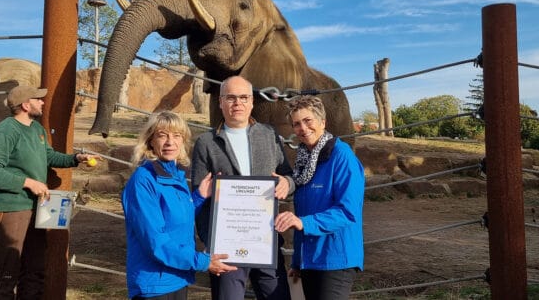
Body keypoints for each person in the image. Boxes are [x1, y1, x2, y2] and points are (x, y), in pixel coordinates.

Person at [0, 85, 100, 299]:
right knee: (7, 272)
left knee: (34, 269)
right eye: (38, 99)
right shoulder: (5, 131)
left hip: (38, 208)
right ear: (26, 105)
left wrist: (74, 159)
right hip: (12, 210)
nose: (43, 102)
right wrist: (27, 182)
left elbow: (49, 156)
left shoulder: (37, 129)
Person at [191, 75, 294, 300]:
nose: (237, 103)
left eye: (243, 97)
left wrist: (288, 183)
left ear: (252, 102)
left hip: (265, 241)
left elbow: (288, 174)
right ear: (220, 102)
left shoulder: (269, 135)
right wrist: (210, 242)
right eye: (231, 98)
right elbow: (199, 197)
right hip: (225, 247)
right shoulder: (206, 143)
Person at [123, 111, 237, 300]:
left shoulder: (175, 175)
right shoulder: (142, 181)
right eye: (162, 135)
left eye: (176, 136)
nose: (170, 142)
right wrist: (202, 262)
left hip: (178, 277)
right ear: (150, 140)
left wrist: (199, 196)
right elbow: (155, 241)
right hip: (155, 284)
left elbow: (175, 216)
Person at [273, 95, 364, 300]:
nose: (303, 128)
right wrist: (297, 261)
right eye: (296, 124)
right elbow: (304, 212)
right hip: (310, 260)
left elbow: (348, 212)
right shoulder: (304, 160)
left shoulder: (342, 157)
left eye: (308, 121)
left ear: (323, 122)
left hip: (335, 259)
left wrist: (302, 222)